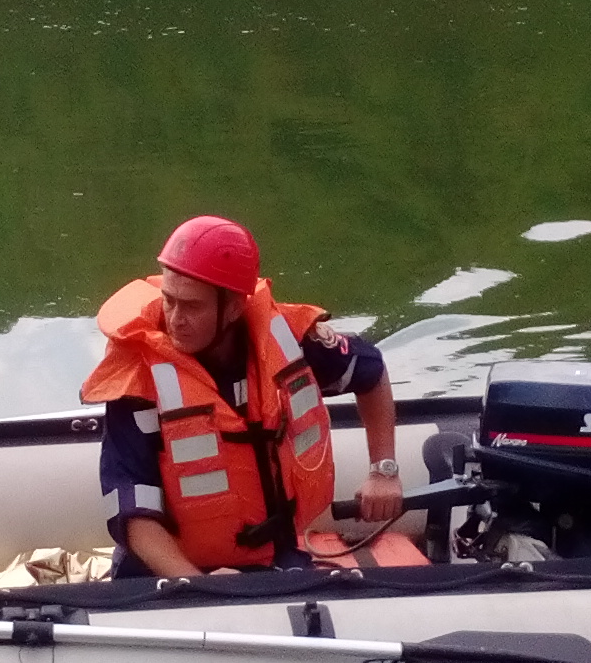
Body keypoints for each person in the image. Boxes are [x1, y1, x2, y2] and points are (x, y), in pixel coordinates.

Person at [80, 215, 403, 579]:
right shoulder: (138, 377)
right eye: (169, 301)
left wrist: (384, 471)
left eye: (192, 306)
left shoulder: (289, 341)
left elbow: (371, 374)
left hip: (269, 557)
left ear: (234, 307)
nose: (175, 319)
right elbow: (135, 517)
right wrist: (202, 588)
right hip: (165, 573)